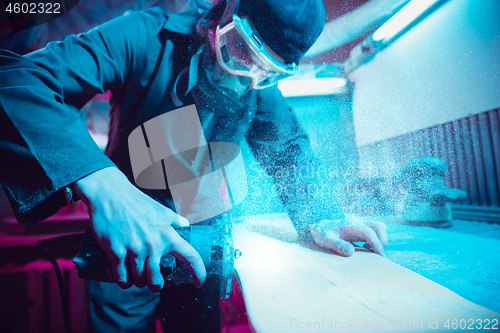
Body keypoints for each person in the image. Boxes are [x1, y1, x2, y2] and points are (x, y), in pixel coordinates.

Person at [0, 0, 388, 331]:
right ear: (224, 13)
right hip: (129, 239)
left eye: (264, 71)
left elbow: (288, 150)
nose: (244, 75)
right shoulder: (145, 35)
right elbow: (17, 79)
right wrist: (107, 190)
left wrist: (321, 215)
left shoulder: (256, 82)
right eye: (239, 49)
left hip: (202, 245)